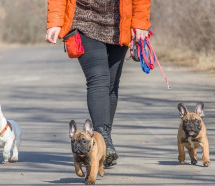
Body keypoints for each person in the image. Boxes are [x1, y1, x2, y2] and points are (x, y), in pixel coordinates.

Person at [46, 0, 151, 167]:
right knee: (98, 79)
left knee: (111, 84)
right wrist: (55, 22)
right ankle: (104, 140)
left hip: (119, 26)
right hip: (83, 23)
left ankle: (102, 143)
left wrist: (140, 23)